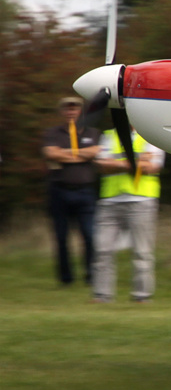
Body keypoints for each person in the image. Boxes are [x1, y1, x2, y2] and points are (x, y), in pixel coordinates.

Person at [91, 126, 164, 303]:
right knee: (102, 250)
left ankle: (142, 295)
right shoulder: (109, 135)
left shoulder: (151, 135)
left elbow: (153, 167)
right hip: (110, 200)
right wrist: (133, 163)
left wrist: (115, 163)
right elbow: (100, 164)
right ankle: (102, 295)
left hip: (141, 199)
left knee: (142, 251)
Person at [41, 96, 100, 287]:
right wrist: (82, 154)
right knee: (61, 237)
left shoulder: (93, 132)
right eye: (67, 109)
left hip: (85, 191)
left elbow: (96, 152)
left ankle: (91, 275)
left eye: (74, 109)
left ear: (80, 111)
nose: (71, 112)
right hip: (59, 191)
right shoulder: (53, 133)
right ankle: (66, 278)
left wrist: (65, 154)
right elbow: (51, 154)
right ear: (62, 112)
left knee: (89, 235)